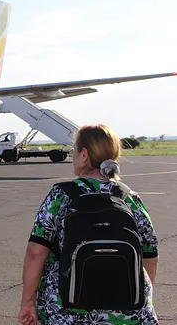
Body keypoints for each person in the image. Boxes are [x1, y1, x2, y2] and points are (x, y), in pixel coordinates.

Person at [18, 124, 159, 325]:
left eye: (74, 149)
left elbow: (35, 253)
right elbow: (150, 256)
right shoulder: (130, 199)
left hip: (65, 308)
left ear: (84, 155)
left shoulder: (61, 196)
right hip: (127, 311)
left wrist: (28, 302)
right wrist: (139, 295)